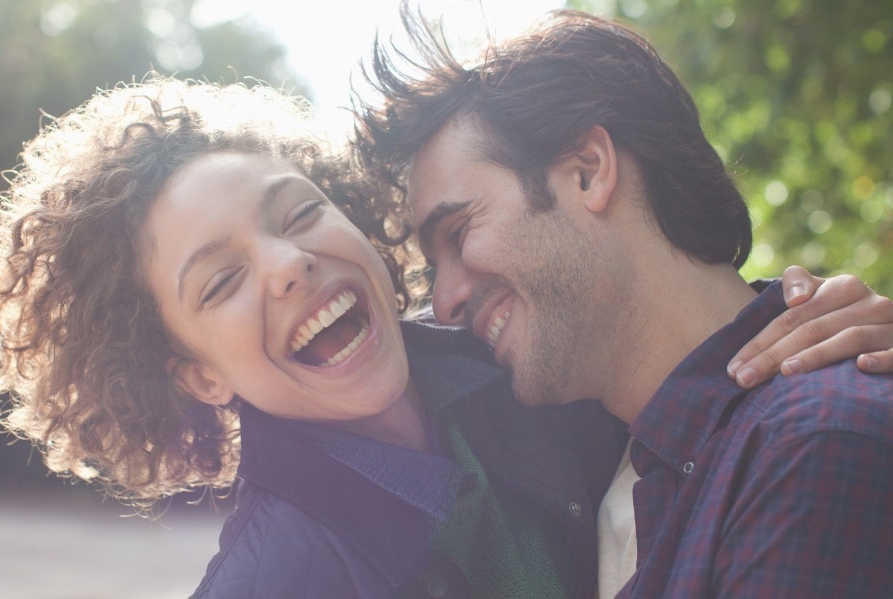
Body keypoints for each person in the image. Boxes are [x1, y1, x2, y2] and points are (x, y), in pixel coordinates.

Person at [356, 9, 893, 597]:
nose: (445, 301)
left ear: (588, 171)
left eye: (459, 233)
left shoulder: (809, 446)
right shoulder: (611, 471)